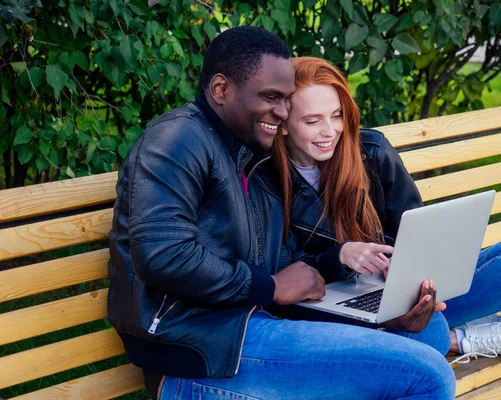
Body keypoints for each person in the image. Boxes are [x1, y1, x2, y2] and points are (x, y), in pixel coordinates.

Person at [108, 28, 455, 400]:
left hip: (251, 324)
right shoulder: (177, 140)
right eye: (271, 97)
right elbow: (164, 256)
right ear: (221, 90)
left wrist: (377, 315)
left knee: (421, 336)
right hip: (191, 342)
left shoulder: (251, 156)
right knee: (429, 376)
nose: (283, 111)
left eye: (287, 99)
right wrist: (271, 287)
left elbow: (283, 262)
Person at [271, 56, 501, 361]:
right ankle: (463, 338)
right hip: (335, 307)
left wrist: (416, 277)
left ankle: (440, 330)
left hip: (398, 290)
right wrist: (340, 256)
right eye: (312, 121)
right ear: (283, 123)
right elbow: (284, 275)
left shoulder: (372, 151)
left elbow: (415, 230)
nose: (330, 131)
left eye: (336, 115)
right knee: (430, 335)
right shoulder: (268, 179)